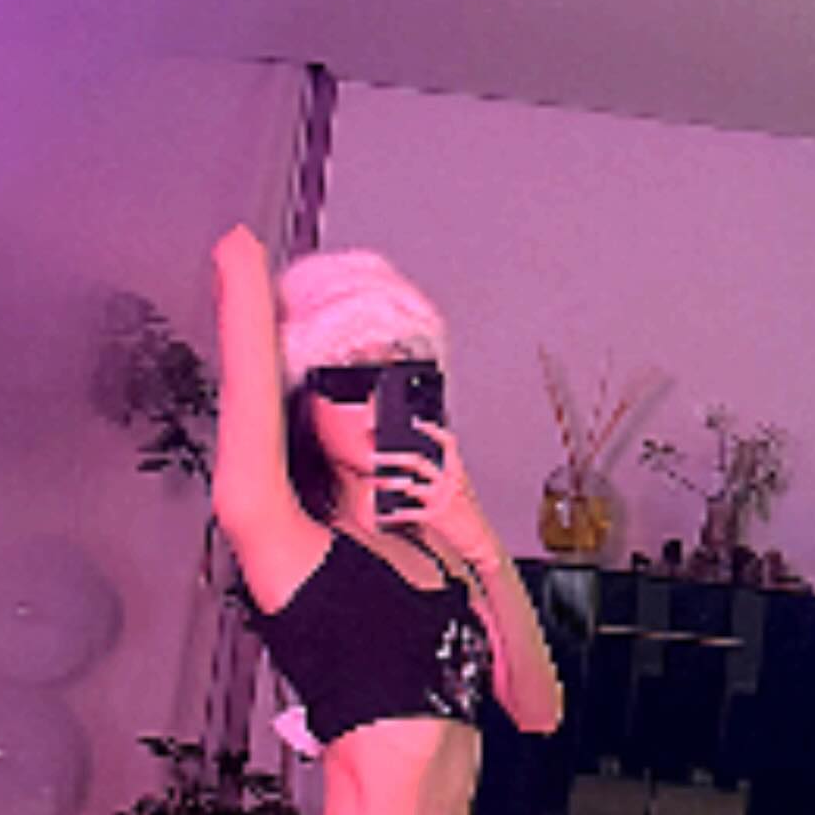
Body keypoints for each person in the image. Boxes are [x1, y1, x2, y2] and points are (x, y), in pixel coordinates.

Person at [210, 224, 564, 815]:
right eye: (350, 379)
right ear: (302, 403)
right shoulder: (292, 548)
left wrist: (486, 552)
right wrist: (260, 281)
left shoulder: (439, 554)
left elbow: (538, 712)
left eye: (403, 381)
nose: (377, 402)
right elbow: (239, 259)